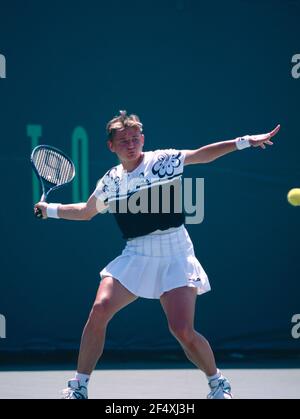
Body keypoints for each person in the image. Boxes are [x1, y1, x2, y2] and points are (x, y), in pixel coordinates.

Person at [34, 111, 280, 399]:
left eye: (135, 138)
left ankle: (217, 383)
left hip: (176, 253)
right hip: (136, 255)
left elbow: (202, 155)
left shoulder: (162, 161)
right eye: (123, 140)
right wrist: (49, 210)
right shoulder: (110, 181)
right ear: (111, 146)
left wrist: (245, 141)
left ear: (143, 139)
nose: (131, 144)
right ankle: (79, 386)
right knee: (100, 308)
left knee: (182, 330)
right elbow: (87, 212)